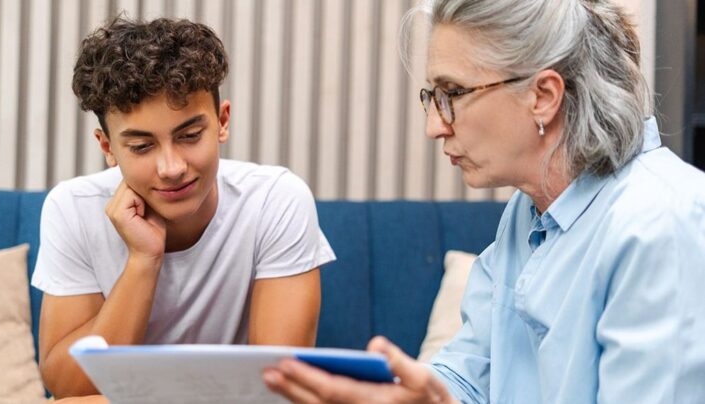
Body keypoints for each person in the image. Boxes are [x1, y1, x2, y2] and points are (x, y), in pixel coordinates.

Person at [263, 0, 705, 403]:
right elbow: (469, 377)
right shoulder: (528, 212)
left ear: (544, 96)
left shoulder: (662, 223)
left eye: (452, 93)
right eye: (432, 98)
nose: (434, 126)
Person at [31, 16, 336, 399]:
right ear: (108, 148)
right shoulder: (72, 208)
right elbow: (67, 386)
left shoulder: (276, 200)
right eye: (142, 146)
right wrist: (143, 261)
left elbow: (279, 388)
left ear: (222, 122)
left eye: (190, 136)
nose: (171, 168)